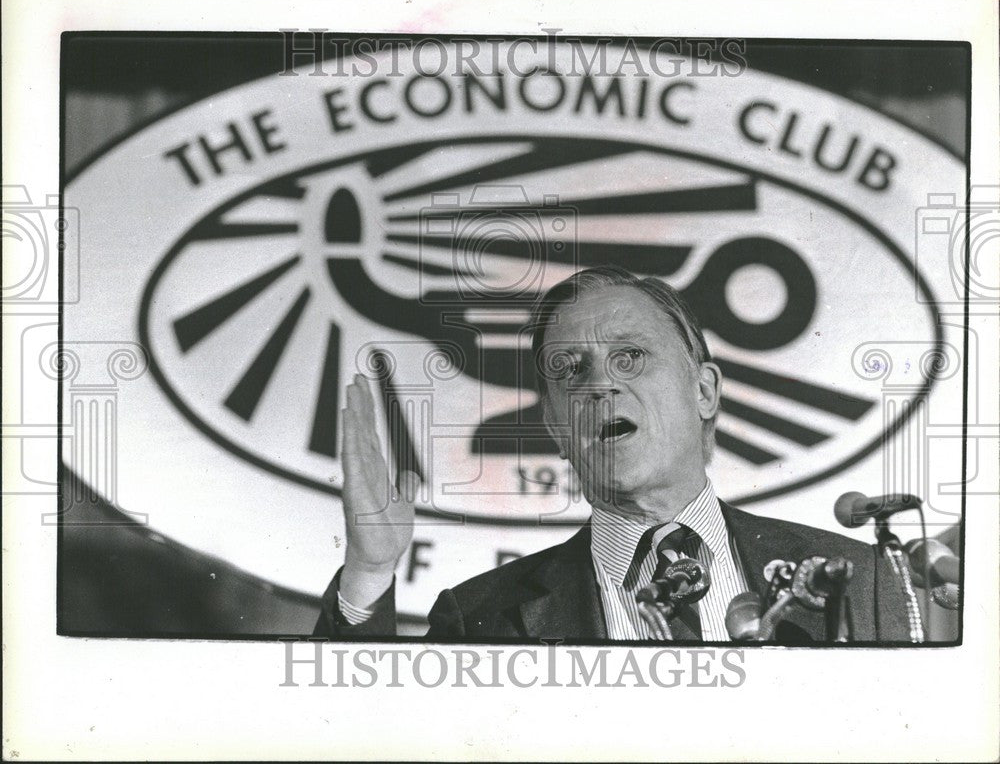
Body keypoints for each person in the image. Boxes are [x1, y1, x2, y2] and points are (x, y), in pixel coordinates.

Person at [314, 266, 910, 642]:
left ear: (703, 390)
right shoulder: (480, 618)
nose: (600, 385)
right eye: (571, 371)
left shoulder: (860, 581)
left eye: (630, 358)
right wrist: (368, 574)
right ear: (554, 424)